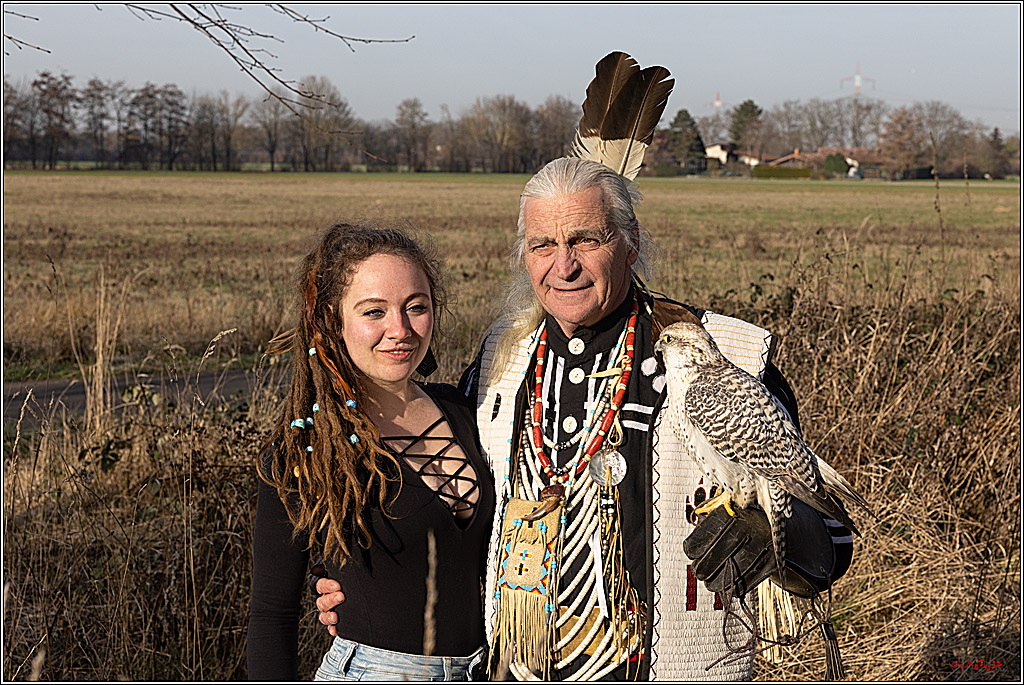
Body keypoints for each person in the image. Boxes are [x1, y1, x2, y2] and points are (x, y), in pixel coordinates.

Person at [316, 159, 855, 681]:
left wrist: (779, 541)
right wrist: (364, 580)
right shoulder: (499, 363)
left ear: (631, 244)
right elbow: (445, 502)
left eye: (586, 240)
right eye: (542, 245)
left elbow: (829, 547)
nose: (563, 265)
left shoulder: (725, 357)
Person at [247, 223, 494, 681]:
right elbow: (271, 613)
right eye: (373, 312)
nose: (399, 330)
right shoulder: (309, 447)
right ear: (332, 322)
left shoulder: (468, 411)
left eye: (415, 307)